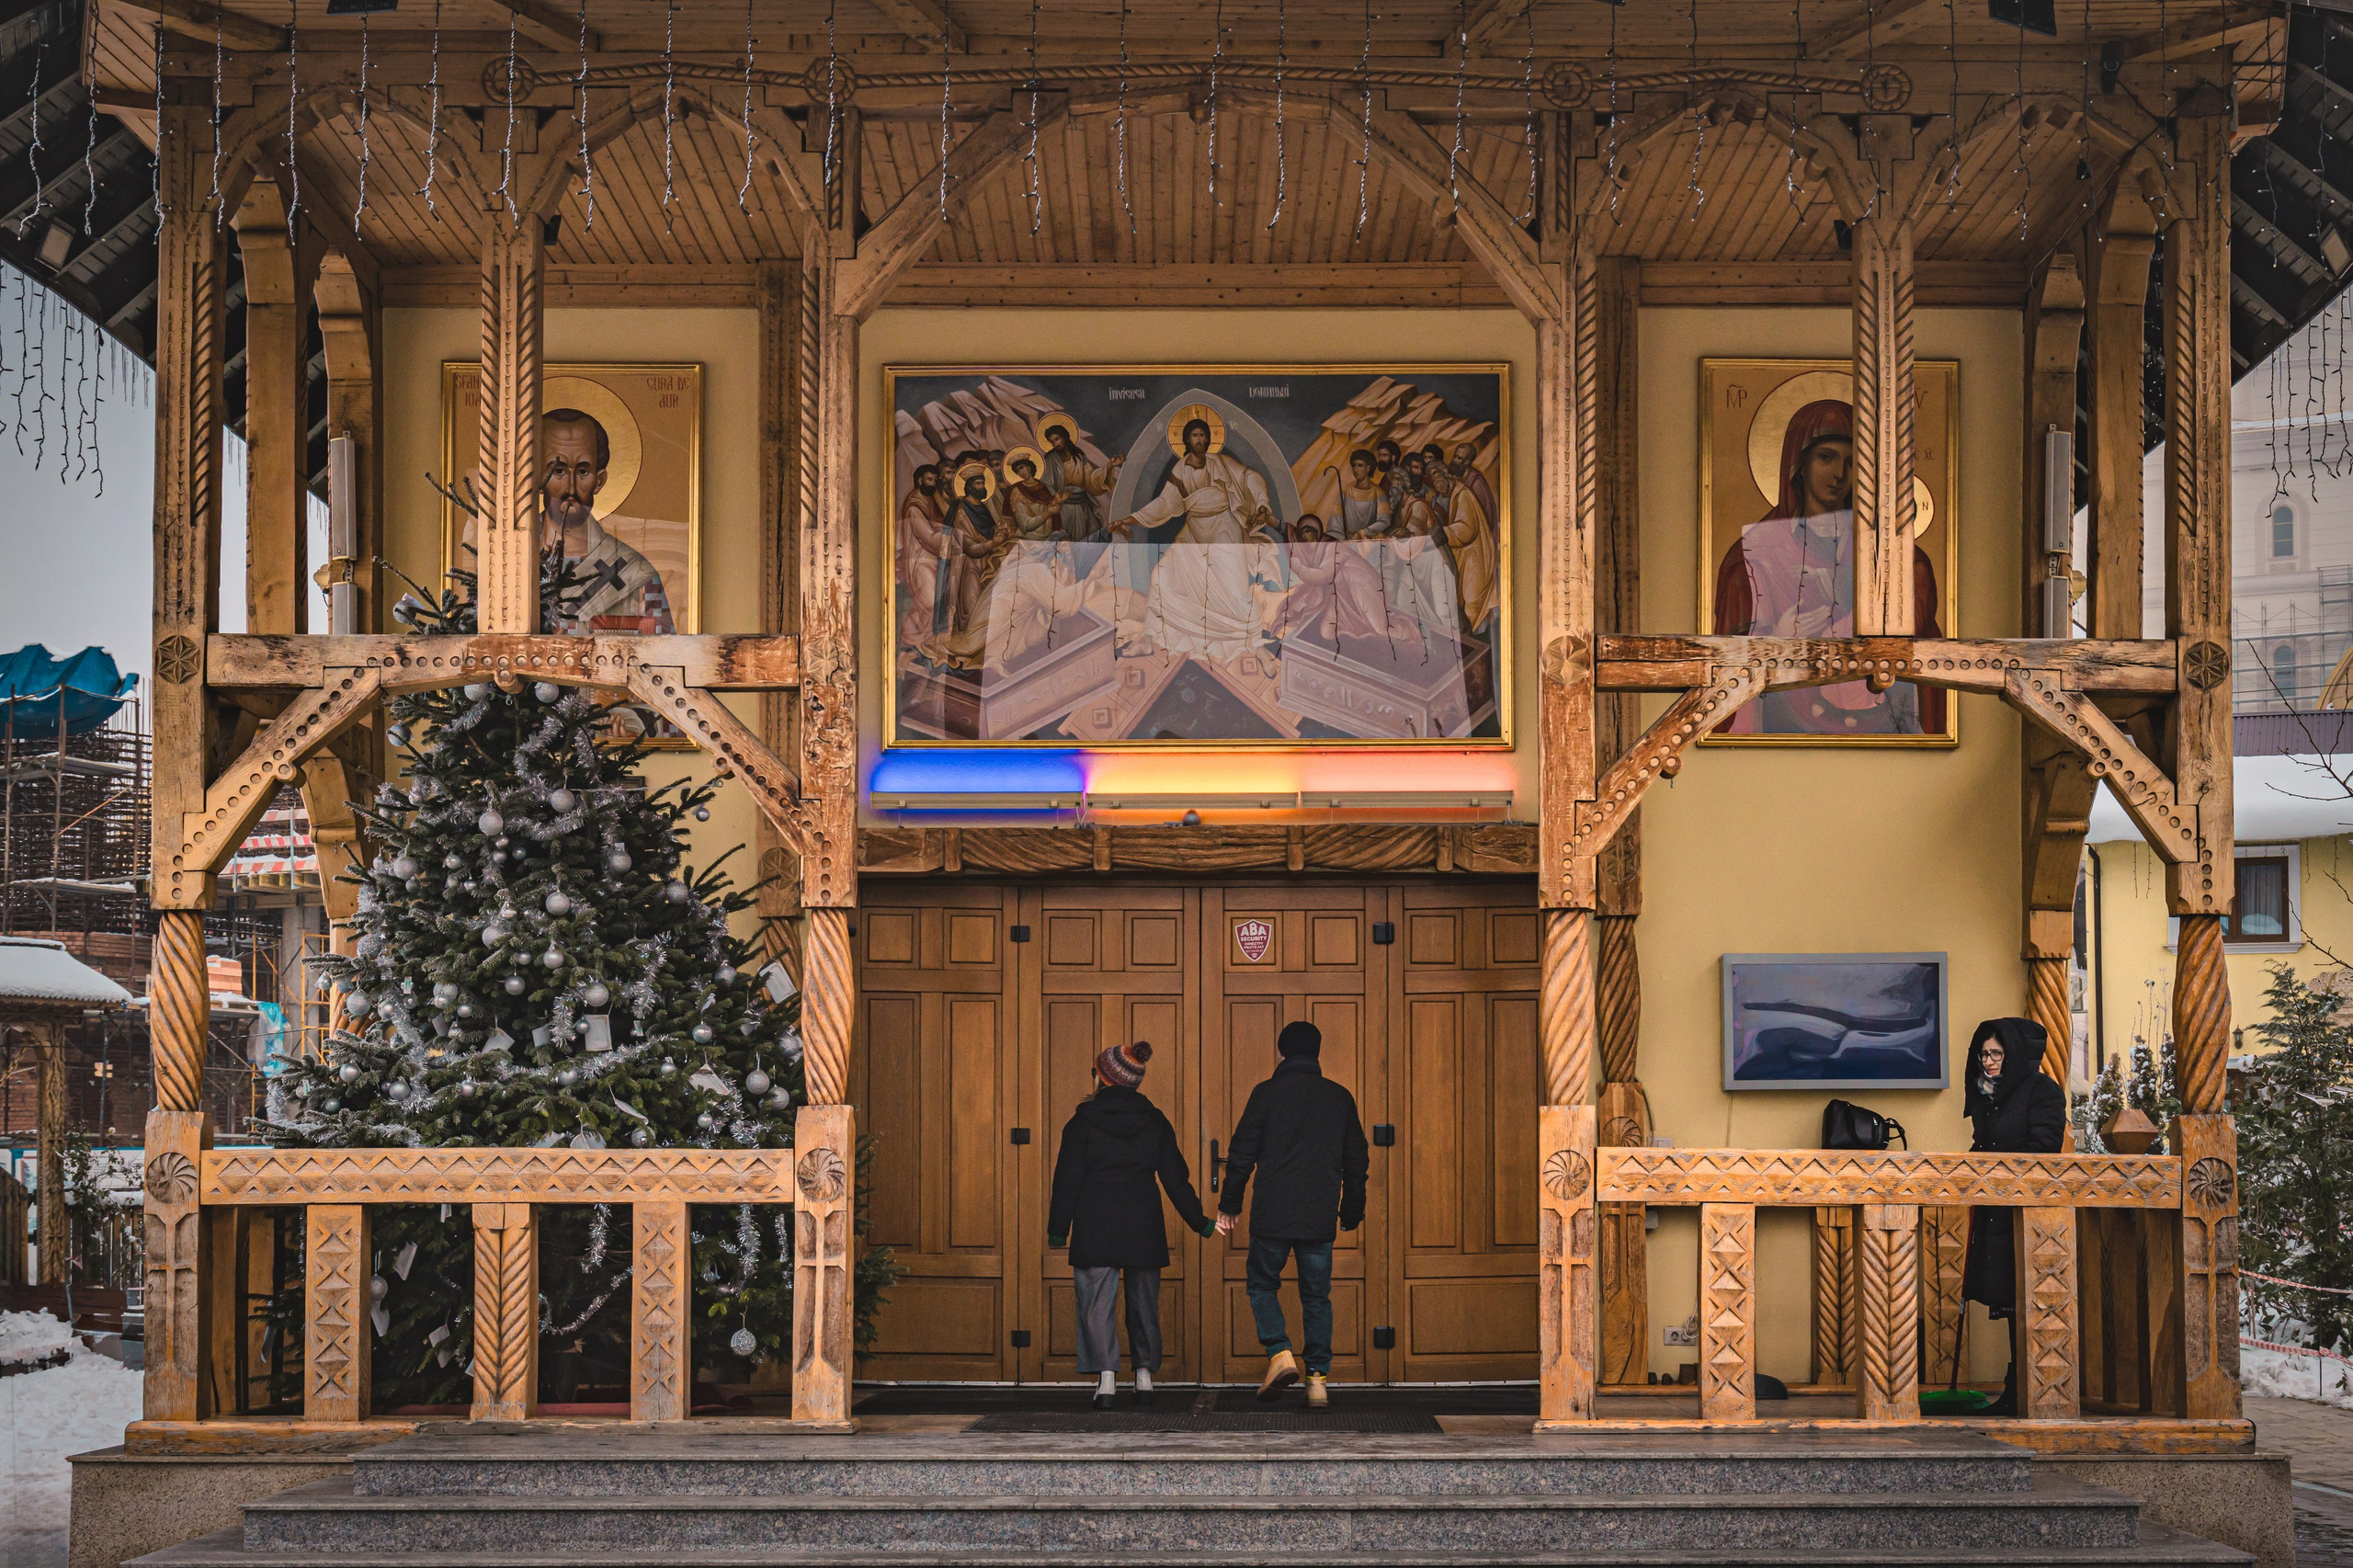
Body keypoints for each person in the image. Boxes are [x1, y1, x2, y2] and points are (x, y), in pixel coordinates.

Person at [1711, 399, 1944, 735]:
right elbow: (1727, 657)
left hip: (1878, 715)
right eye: (1826, 458)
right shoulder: (1753, 555)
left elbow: (1917, 638)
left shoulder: (1895, 556)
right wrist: (1777, 636)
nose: (1839, 474)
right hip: (1781, 721)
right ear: (1799, 463)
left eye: (1852, 464)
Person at [1047, 1040, 1215, 1410]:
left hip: (1095, 1222)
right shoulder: (1154, 1121)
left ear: (1102, 1078)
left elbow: (1067, 1180)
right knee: (1143, 1304)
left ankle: (1106, 1382)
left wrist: (1058, 1229)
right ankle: (1144, 1378)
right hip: (1144, 1223)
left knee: (1095, 1304)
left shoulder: (1080, 1123)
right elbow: (1175, 1178)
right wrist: (1199, 1220)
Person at [1214, 1020, 1370, 1410]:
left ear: (1281, 1053)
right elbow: (1357, 1161)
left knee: (1262, 1283)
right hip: (1318, 1215)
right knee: (1316, 1295)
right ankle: (1317, 1381)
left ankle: (1280, 1353)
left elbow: (1241, 1153)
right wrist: (1350, 1210)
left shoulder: (1265, 1094)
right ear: (1316, 1053)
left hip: (1272, 1214)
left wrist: (1230, 1204)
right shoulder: (1339, 1097)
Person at [1959, 1017, 2067, 1416]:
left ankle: (2028, 1390)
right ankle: (2015, 1389)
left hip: (2030, 1220)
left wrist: (1997, 1171)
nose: (1987, 1061)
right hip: (1994, 1216)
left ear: (2014, 1055)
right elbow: (1982, 1145)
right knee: (2009, 1301)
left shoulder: (2042, 1092)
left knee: (2029, 1300)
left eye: (1996, 1053)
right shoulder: (1989, 1095)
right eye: (1984, 1053)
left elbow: (2045, 1148)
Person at [537, 408, 675, 633]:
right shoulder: (510, 565)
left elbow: (663, 659)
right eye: (558, 471)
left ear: (599, 481)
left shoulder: (635, 574)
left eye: (582, 471)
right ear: (538, 478)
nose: (570, 487)